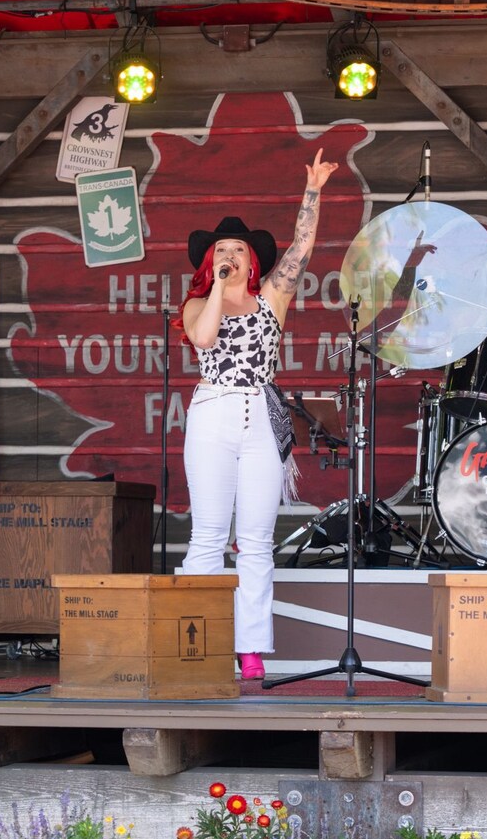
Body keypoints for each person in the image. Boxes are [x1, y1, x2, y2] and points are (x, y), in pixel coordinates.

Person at [179, 149, 338, 680]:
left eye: (237, 250)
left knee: (255, 541)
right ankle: (201, 643)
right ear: (210, 262)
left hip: (260, 415)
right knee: (208, 535)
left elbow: (302, 249)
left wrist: (312, 191)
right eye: (220, 250)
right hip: (214, 410)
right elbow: (204, 339)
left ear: (253, 261)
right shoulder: (196, 303)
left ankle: (250, 649)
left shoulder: (272, 296)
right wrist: (217, 289)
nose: (228, 255)